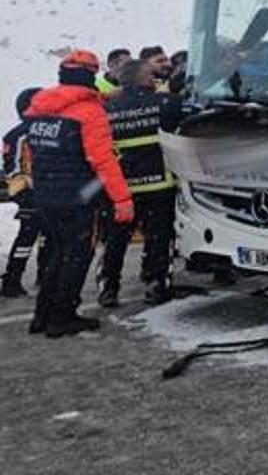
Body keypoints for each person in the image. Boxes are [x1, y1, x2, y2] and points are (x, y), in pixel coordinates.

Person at [25, 50, 133, 337]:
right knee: (77, 255)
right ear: (90, 75)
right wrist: (122, 199)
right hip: (77, 196)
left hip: (45, 193)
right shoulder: (89, 112)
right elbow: (103, 160)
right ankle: (62, 317)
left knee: (58, 253)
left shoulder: (40, 107)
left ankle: (42, 314)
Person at [98, 60, 186, 306]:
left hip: (122, 188)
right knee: (159, 237)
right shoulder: (164, 103)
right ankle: (155, 284)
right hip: (159, 184)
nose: (154, 78)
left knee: (115, 240)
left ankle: (109, 288)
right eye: (149, 74)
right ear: (138, 77)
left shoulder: (108, 108)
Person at [2, 88, 43, 297]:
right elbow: (13, 168)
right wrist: (25, 192)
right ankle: (12, 279)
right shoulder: (19, 135)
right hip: (28, 193)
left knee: (49, 236)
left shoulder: (46, 130)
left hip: (46, 192)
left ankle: (44, 276)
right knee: (27, 237)